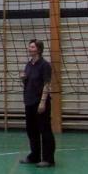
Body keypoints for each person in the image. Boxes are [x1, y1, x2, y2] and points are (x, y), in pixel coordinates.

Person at [19, 39, 56, 167]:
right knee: (31, 130)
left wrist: (42, 102)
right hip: (29, 101)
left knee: (45, 130)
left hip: (40, 102)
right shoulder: (29, 64)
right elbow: (28, 82)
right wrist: (23, 78)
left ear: (39, 50)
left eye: (32, 47)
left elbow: (47, 84)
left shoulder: (45, 65)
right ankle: (34, 156)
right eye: (29, 46)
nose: (29, 49)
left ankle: (48, 159)